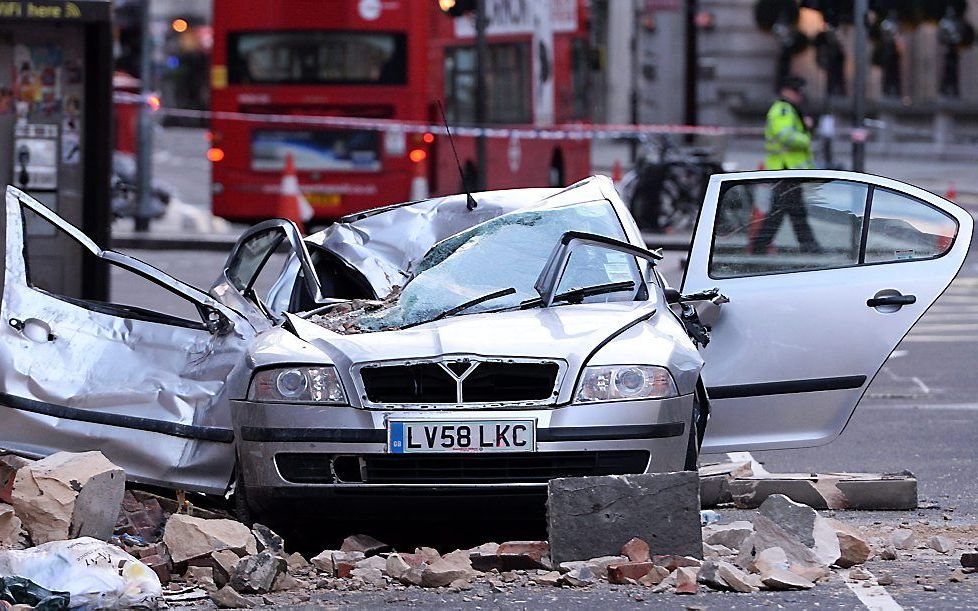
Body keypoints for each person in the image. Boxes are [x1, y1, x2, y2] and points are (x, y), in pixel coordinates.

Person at [752, 75, 821, 254]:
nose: (800, 96)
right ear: (787, 91)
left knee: (785, 211)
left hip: (788, 171)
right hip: (784, 169)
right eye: (797, 92)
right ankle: (810, 249)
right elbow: (786, 136)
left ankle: (760, 247)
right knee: (791, 212)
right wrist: (806, 137)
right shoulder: (782, 109)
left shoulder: (788, 109)